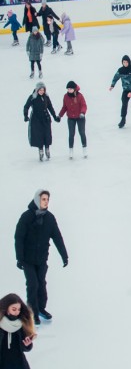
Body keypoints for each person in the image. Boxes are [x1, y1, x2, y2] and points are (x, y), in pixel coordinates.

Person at [14, 189, 69, 324]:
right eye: (43, 199)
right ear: (37, 200)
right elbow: (19, 238)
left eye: (47, 199)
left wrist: (64, 256)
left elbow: (57, 237)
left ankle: (41, 309)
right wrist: (19, 258)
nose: (46, 202)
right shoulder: (26, 216)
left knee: (42, 284)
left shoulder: (50, 218)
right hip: (27, 259)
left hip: (42, 259)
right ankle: (32, 313)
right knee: (33, 284)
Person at [23, 82, 60, 161]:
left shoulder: (46, 97)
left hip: (46, 119)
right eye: (40, 90)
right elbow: (26, 107)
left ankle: (47, 148)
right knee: (39, 136)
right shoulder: (32, 97)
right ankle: (40, 150)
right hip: (36, 120)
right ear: (37, 90)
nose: (42, 91)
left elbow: (50, 107)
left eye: (43, 90)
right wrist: (25, 115)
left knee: (47, 134)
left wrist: (54, 117)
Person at [0, 293, 36, 366]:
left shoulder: (21, 324)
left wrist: (27, 345)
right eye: (14, 309)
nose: (17, 312)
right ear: (6, 308)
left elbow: (23, 348)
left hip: (18, 363)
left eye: (19, 309)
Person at [58, 81, 88, 159]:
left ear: (74, 89)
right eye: (68, 89)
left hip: (80, 117)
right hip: (71, 118)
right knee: (71, 134)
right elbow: (64, 107)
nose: (69, 90)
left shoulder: (80, 96)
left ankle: (84, 148)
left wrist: (82, 113)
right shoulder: (65, 96)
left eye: (71, 89)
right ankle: (71, 150)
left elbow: (84, 105)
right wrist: (59, 115)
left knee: (82, 133)